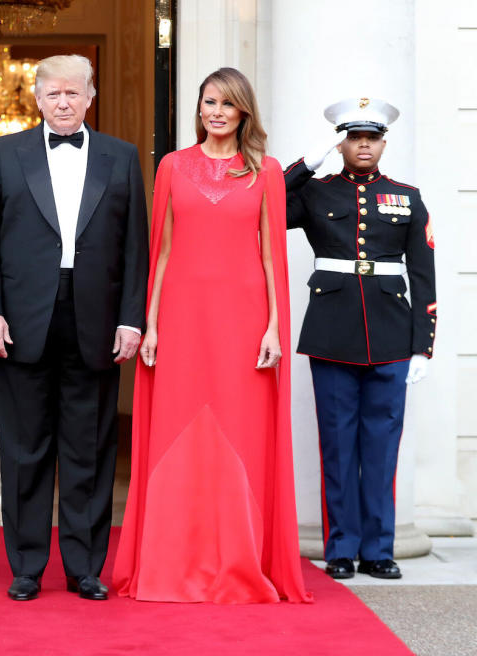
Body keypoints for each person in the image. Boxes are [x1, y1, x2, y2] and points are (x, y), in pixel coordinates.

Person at [112, 67, 311, 603]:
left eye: (227, 104)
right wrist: (150, 324)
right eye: (208, 102)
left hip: (245, 322)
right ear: (197, 108)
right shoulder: (173, 166)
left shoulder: (266, 171)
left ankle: (241, 561)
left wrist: (274, 325)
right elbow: (163, 251)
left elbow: (272, 256)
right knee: (179, 429)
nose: (216, 112)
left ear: (244, 111)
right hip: (180, 318)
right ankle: (171, 562)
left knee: (241, 433)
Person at [0, 55, 149, 602]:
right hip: (21, 321)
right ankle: (26, 566)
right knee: (24, 449)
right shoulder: (4, 152)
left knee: (89, 449)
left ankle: (84, 568)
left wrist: (132, 318)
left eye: (74, 93)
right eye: (53, 94)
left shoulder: (121, 156)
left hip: (96, 319)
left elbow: (135, 246)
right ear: (37, 99)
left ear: (90, 97)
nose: (64, 102)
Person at [284, 98, 436, 580]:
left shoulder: (406, 196)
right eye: (353, 137)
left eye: (371, 137)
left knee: (381, 448)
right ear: (341, 142)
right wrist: (307, 165)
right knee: (337, 446)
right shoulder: (316, 193)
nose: (363, 144)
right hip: (331, 335)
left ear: (384, 143)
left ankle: (378, 549)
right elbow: (263, 205)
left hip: (392, 336)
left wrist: (421, 345)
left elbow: (423, 275)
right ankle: (342, 549)